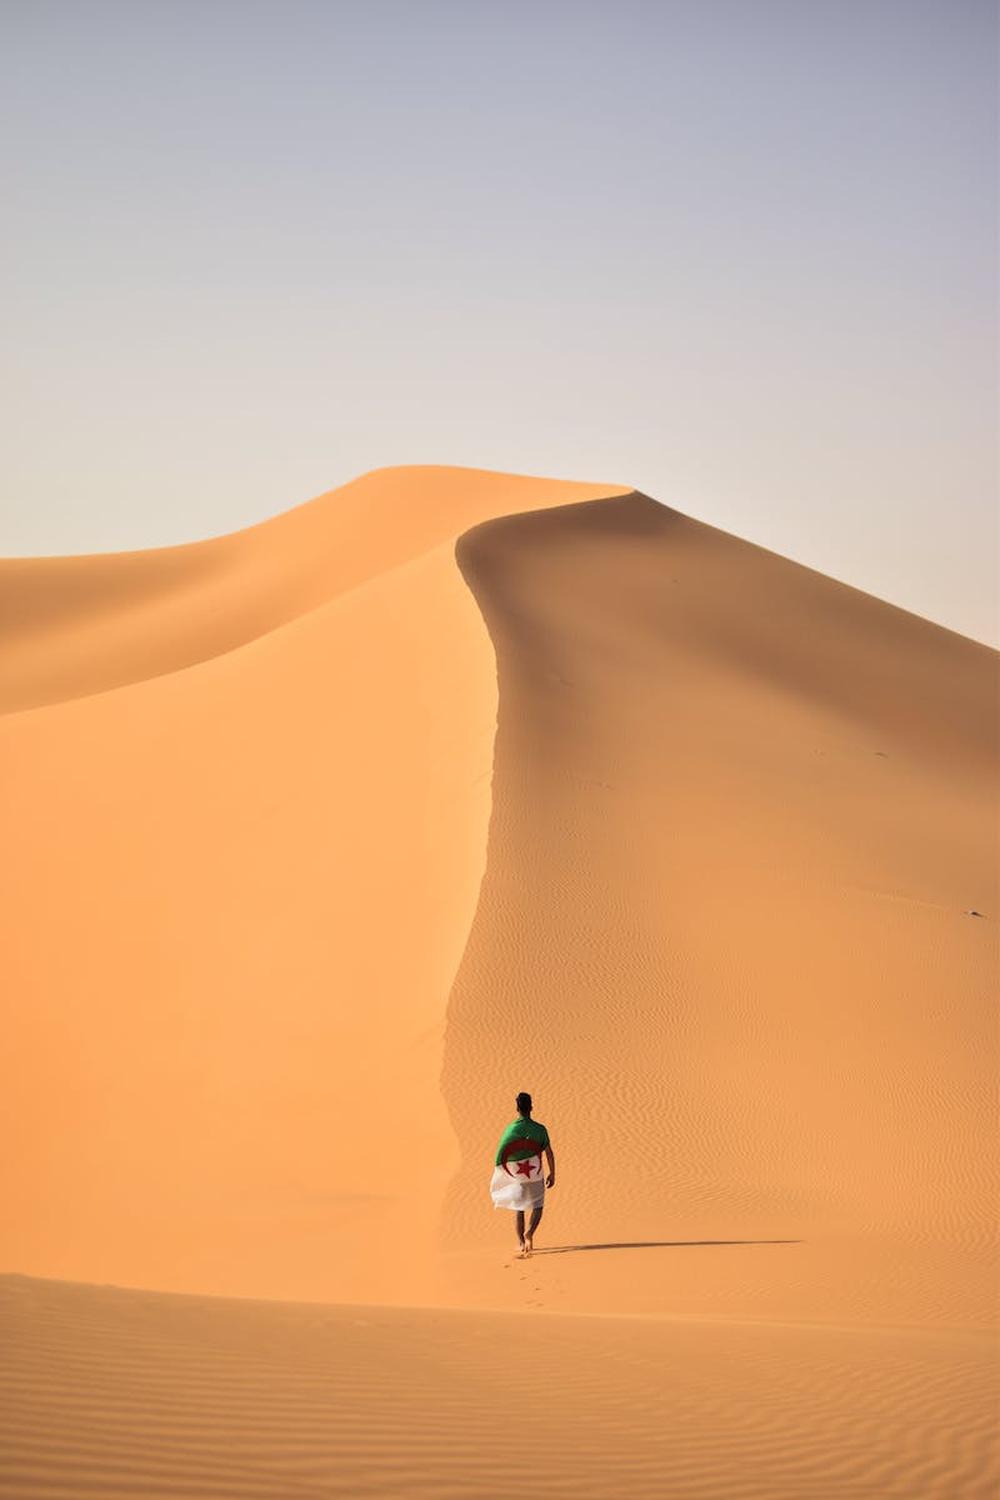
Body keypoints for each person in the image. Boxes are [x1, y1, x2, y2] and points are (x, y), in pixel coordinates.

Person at [489, 1091, 555, 1256]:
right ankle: (530, 1233)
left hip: (518, 1176)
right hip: (535, 1175)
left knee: (519, 1209)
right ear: (531, 1107)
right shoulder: (540, 1129)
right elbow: (549, 1152)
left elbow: (501, 1152)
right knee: (538, 1206)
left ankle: (520, 1242)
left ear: (517, 1108)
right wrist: (552, 1173)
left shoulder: (511, 1129)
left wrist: (502, 1171)